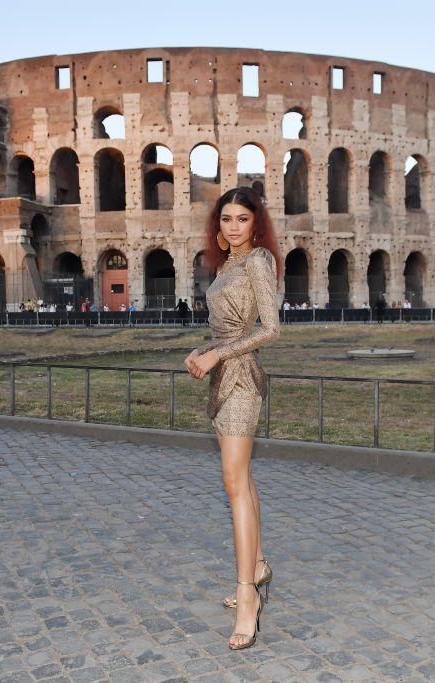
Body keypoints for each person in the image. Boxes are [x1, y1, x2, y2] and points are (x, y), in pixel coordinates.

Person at [183, 187, 279, 651]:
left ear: (255, 224)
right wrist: (205, 350)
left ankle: (248, 599)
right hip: (221, 378)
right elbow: (227, 326)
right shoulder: (225, 267)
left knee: (234, 484)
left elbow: (272, 329)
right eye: (226, 218)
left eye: (242, 218)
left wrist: (218, 352)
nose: (233, 226)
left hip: (244, 384)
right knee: (242, 479)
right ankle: (257, 565)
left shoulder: (258, 261)